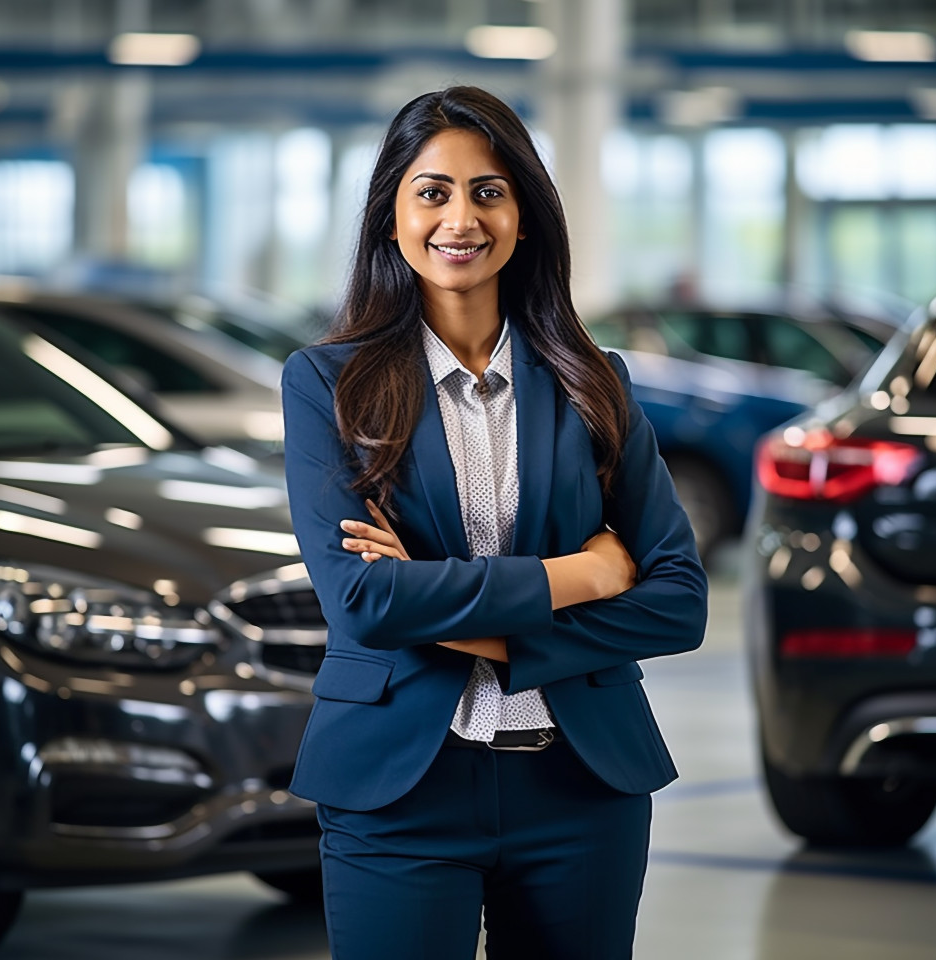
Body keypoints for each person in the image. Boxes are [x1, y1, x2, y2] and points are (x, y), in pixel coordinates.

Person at [281, 85, 707, 960]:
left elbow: (678, 602)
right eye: (432, 191)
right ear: (390, 218)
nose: (460, 217)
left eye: (489, 190)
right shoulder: (329, 384)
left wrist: (483, 635)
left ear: (524, 214)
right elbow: (364, 602)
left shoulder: (597, 384)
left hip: (581, 786)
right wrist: (580, 577)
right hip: (398, 790)